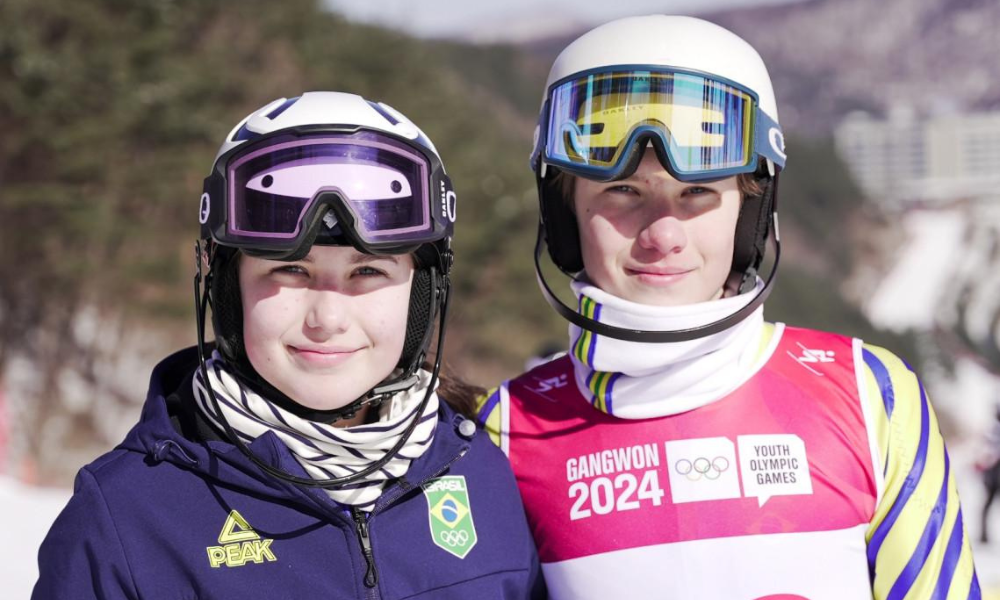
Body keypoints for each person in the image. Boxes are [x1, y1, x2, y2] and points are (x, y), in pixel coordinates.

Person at [477, 16, 980, 599]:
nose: (662, 235)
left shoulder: (870, 397)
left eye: (697, 193)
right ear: (564, 217)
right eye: (623, 192)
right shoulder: (507, 431)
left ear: (749, 216)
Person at [34, 91, 544, 599]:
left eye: (367, 271)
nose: (327, 318)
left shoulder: (483, 472)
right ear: (226, 287)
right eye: (290, 270)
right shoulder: (127, 519)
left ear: (424, 293)